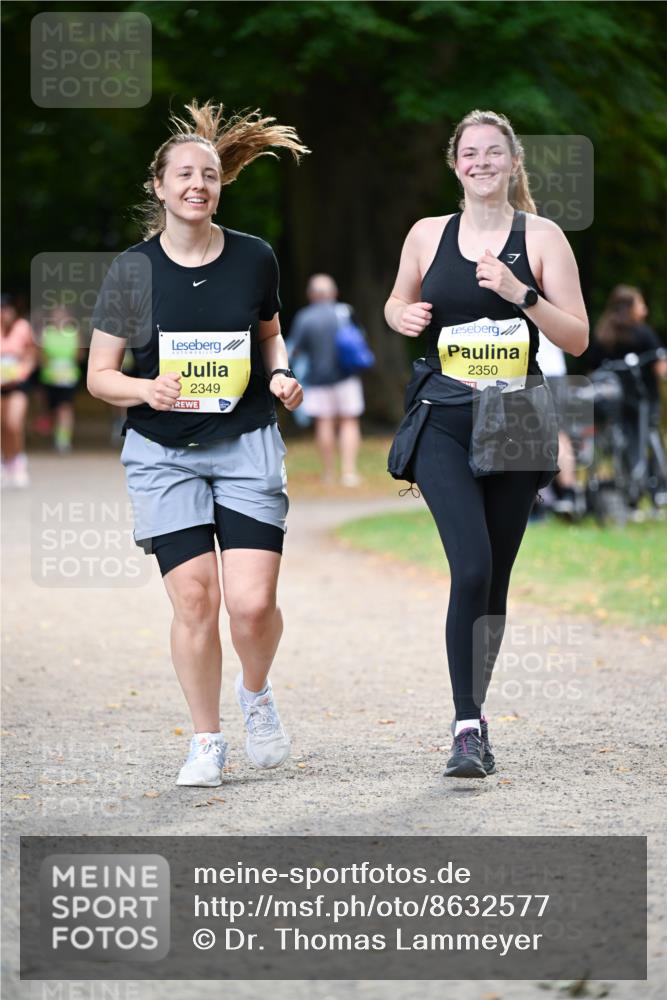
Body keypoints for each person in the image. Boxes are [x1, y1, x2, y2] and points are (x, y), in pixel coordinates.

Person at [88, 100, 308, 787]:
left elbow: (268, 330)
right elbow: (99, 376)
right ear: (159, 186)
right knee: (194, 600)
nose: (196, 185)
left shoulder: (253, 258)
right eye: (183, 174)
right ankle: (207, 740)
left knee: (250, 605)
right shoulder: (132, 271)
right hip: (162, 451)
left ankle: (255, 691)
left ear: (220, 185)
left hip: (244, 442)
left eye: (208, 175)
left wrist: (278, 374)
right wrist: (143, 390)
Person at [384, 109, 588, 778]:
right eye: (469, 153)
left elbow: (576, 337)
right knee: (469, 568)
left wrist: (519, 291)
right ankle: (464, 726)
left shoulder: (543, 237)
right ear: (454, 164)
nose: (480, 162)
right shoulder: (425, 234)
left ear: (511, 162)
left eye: (492, 152)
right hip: (444, 413)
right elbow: (395, 304)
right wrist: (403, 313)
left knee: (494, 581)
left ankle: (475, 711)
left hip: (516, 416)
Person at [587, 285, 667, 495]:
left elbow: (593, 365)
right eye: (641, 304)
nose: (645, 309)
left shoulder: (604, 333)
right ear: (630, 307)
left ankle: (623, 481)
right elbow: (660, 367)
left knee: (619, 438)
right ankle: (654, 486)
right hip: (643, 399)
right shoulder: (643, 333)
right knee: (646, 437)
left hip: (611, 401)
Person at [289, 274, 366, 486]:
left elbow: (295, 350)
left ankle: (329, 473)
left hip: (317, 379)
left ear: (311, 294)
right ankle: (349, 472)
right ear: (333, 292)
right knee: (349, 421)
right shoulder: (344, 312)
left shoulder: (305, 317)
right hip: (347, 376)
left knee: (324, 423)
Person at [535, 330, 578, 516]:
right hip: (556, 373)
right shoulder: (552, 301)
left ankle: (538, 499)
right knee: (559, 434)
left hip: (530, 370)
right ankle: (568, 494)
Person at [1, 293, 38, 488]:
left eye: (6, 309)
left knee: (13, 423)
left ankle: (18, 461)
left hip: (17, 384)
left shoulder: (22, 328)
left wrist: (23, 371)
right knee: (2, 427)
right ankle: (5, 462)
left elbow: (32, 353)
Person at [39, 305, 81, 453]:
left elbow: (79, 355)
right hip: (50, 377)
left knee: (65, 408)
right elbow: (41, 355)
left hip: (68, 377)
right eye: (56, 315)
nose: (59, 318)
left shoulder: (73, 333)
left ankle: (63, 440)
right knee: (52, 409)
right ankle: (53, 434)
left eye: (61, 315)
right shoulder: (46, 333)